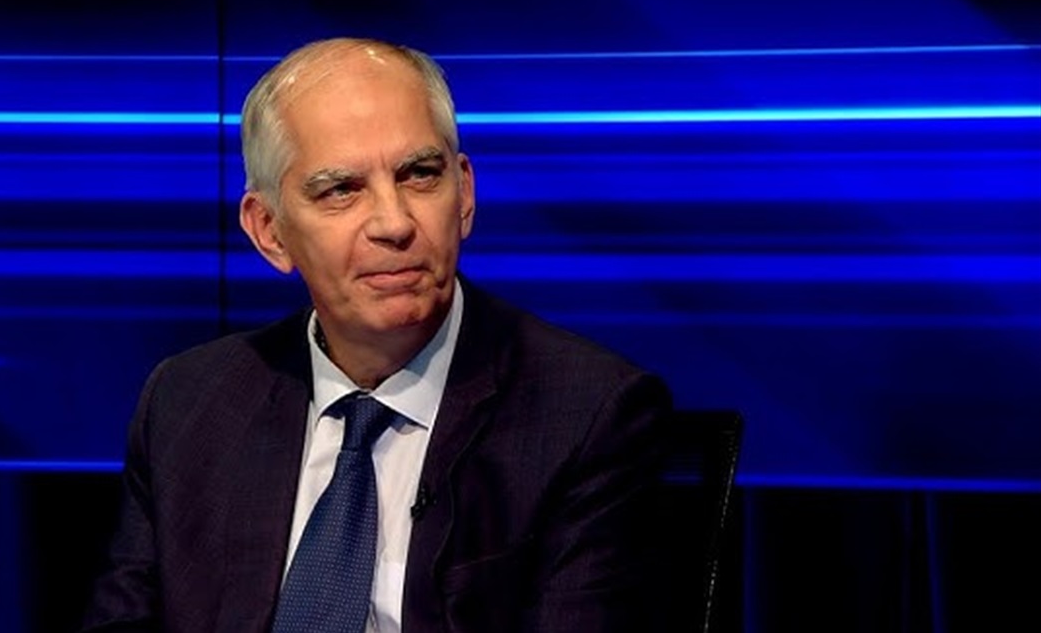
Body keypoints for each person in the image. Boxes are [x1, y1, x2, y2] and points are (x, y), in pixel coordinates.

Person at [82, 37, 672, 633]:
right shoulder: (190, 403)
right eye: (341, 190)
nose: (394, 223)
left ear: (464, 194)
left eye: (420, 175)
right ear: (270, 231)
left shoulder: (586, 414)